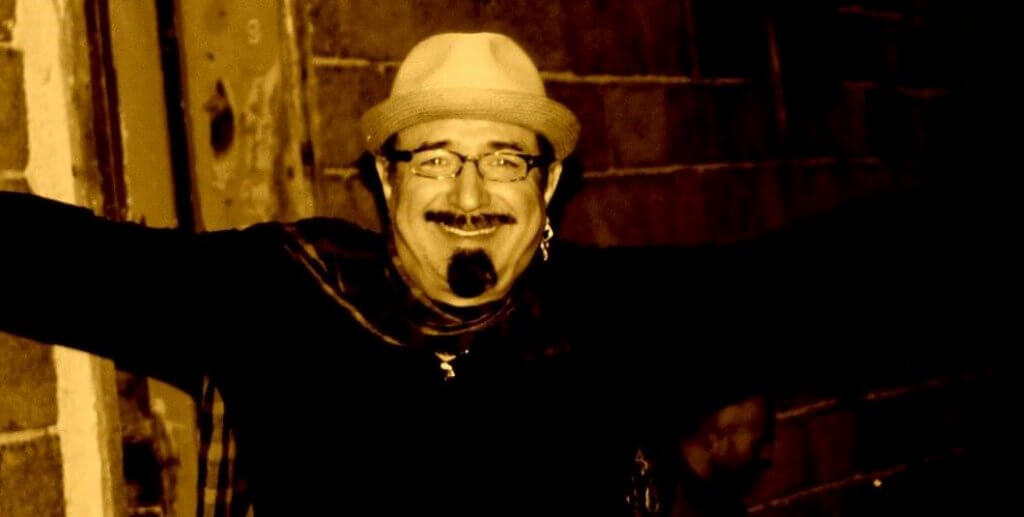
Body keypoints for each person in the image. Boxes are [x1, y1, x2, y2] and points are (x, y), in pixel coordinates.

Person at [0, 32, 989, 515]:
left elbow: (833, 276)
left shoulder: (607, 319)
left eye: (505, 159)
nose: (469, 190)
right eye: (435, 156)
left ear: (546, 186)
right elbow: (61, 263)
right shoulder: (278, 297)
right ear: (386, 181)